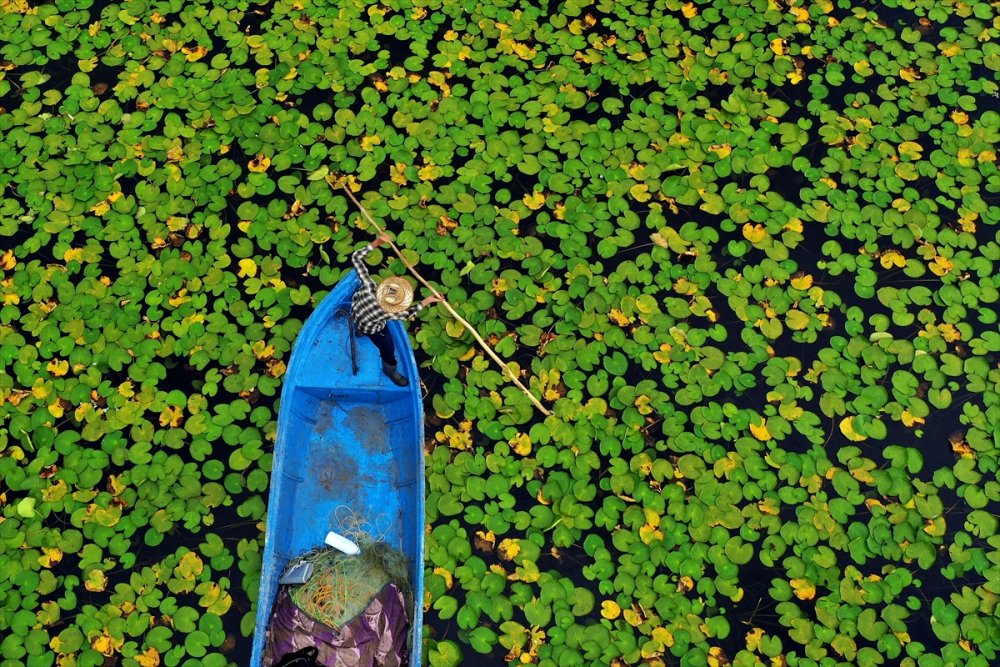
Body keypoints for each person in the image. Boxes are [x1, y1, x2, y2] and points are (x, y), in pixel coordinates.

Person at [351, 233, 442, 386]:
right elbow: (409, 314)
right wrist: (428, 300)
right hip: (373, 329)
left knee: (360, 324)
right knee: (388, 350)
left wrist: (377, 242)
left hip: (356, 314)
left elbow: (356, 257)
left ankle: (358, 331)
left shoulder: (368, 285)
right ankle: (389, 371)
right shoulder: (387, 312)